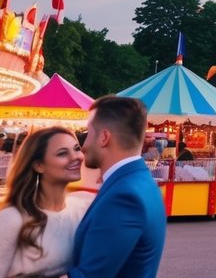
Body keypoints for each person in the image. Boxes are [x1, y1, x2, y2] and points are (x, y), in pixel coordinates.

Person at [0, 127, 94, 277]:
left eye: (77, 149)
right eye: (62, 153)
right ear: (39, 165)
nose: (77, 157)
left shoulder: (83, 206)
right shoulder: (11, 220)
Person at [68, 96, 167, 278]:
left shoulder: (124, 196)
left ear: (104, 137)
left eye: (88, 133)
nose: (84, 145)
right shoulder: (139, 181)